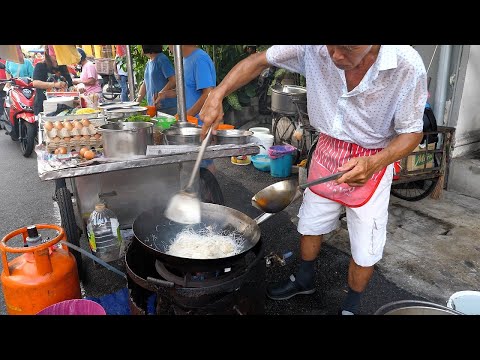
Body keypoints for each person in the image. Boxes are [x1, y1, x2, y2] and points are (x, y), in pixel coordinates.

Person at [199, 45, 428, 315]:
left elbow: (412, 132)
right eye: (331, 46)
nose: (336, 56)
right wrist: (217, 94)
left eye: (348, 48)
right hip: (327, 150)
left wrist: (374, 163)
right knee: (310, 223)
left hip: (373, 159)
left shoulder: (406, 65)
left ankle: (351, 307)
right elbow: (258, 60)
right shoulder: (311, 46)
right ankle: (304, 278)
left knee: (366, 245)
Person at [167, 45, 217, 172]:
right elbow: (186, 89)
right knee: (193, 167)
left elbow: (208, 94)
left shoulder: (199, 59)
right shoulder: (183, 60)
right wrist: (167, 94)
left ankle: (210, 191)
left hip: (198, 126)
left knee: (203, 166)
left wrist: (186, 116)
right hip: (189, 125)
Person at [32, 45, 73, 116]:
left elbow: (70, 84)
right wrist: (54, 85)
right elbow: (35, 83)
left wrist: (75, 89)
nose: (57, 55)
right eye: (55, 54)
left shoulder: (63, 67)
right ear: (48, 52)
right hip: (44, 106)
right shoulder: (41, 66)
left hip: (63, 107)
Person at [135, 45, 177, 116]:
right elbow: (145, 83)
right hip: (153, 107)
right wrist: (137, 102)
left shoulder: (162, 59)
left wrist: (160, 95)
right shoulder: (149, 62)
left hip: (167, 107)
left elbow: (173, 80)